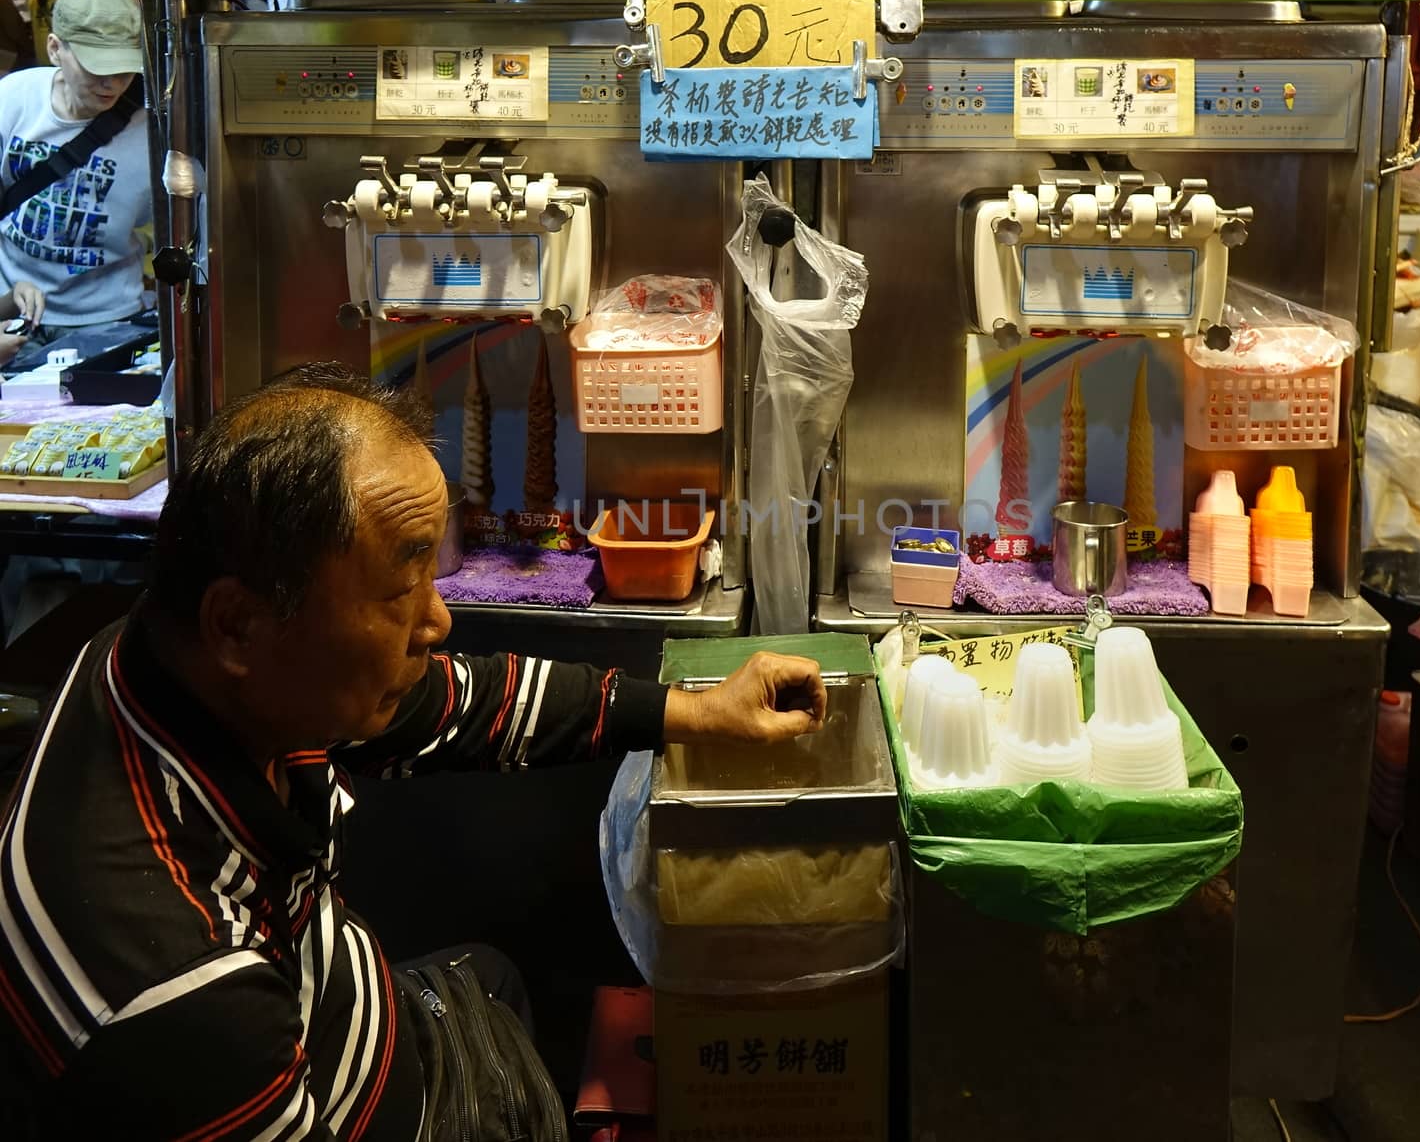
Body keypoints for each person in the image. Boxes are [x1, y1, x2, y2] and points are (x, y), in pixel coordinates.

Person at [0, 363, 829, 1136]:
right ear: (238, 623)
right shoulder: (168, 989)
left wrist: (698, 711)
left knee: (499, 975)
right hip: (391, 1105)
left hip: (377, 1016)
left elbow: (461, 704)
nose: (438, 622)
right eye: (401, 590)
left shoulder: (196, 667)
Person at [0, 0, 151, 364]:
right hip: (13, 312)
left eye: (124, 69)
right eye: (96, 67)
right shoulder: (12, 100)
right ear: (55, 49)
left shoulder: (154, 130)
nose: (112, 84)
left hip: (108, 320)